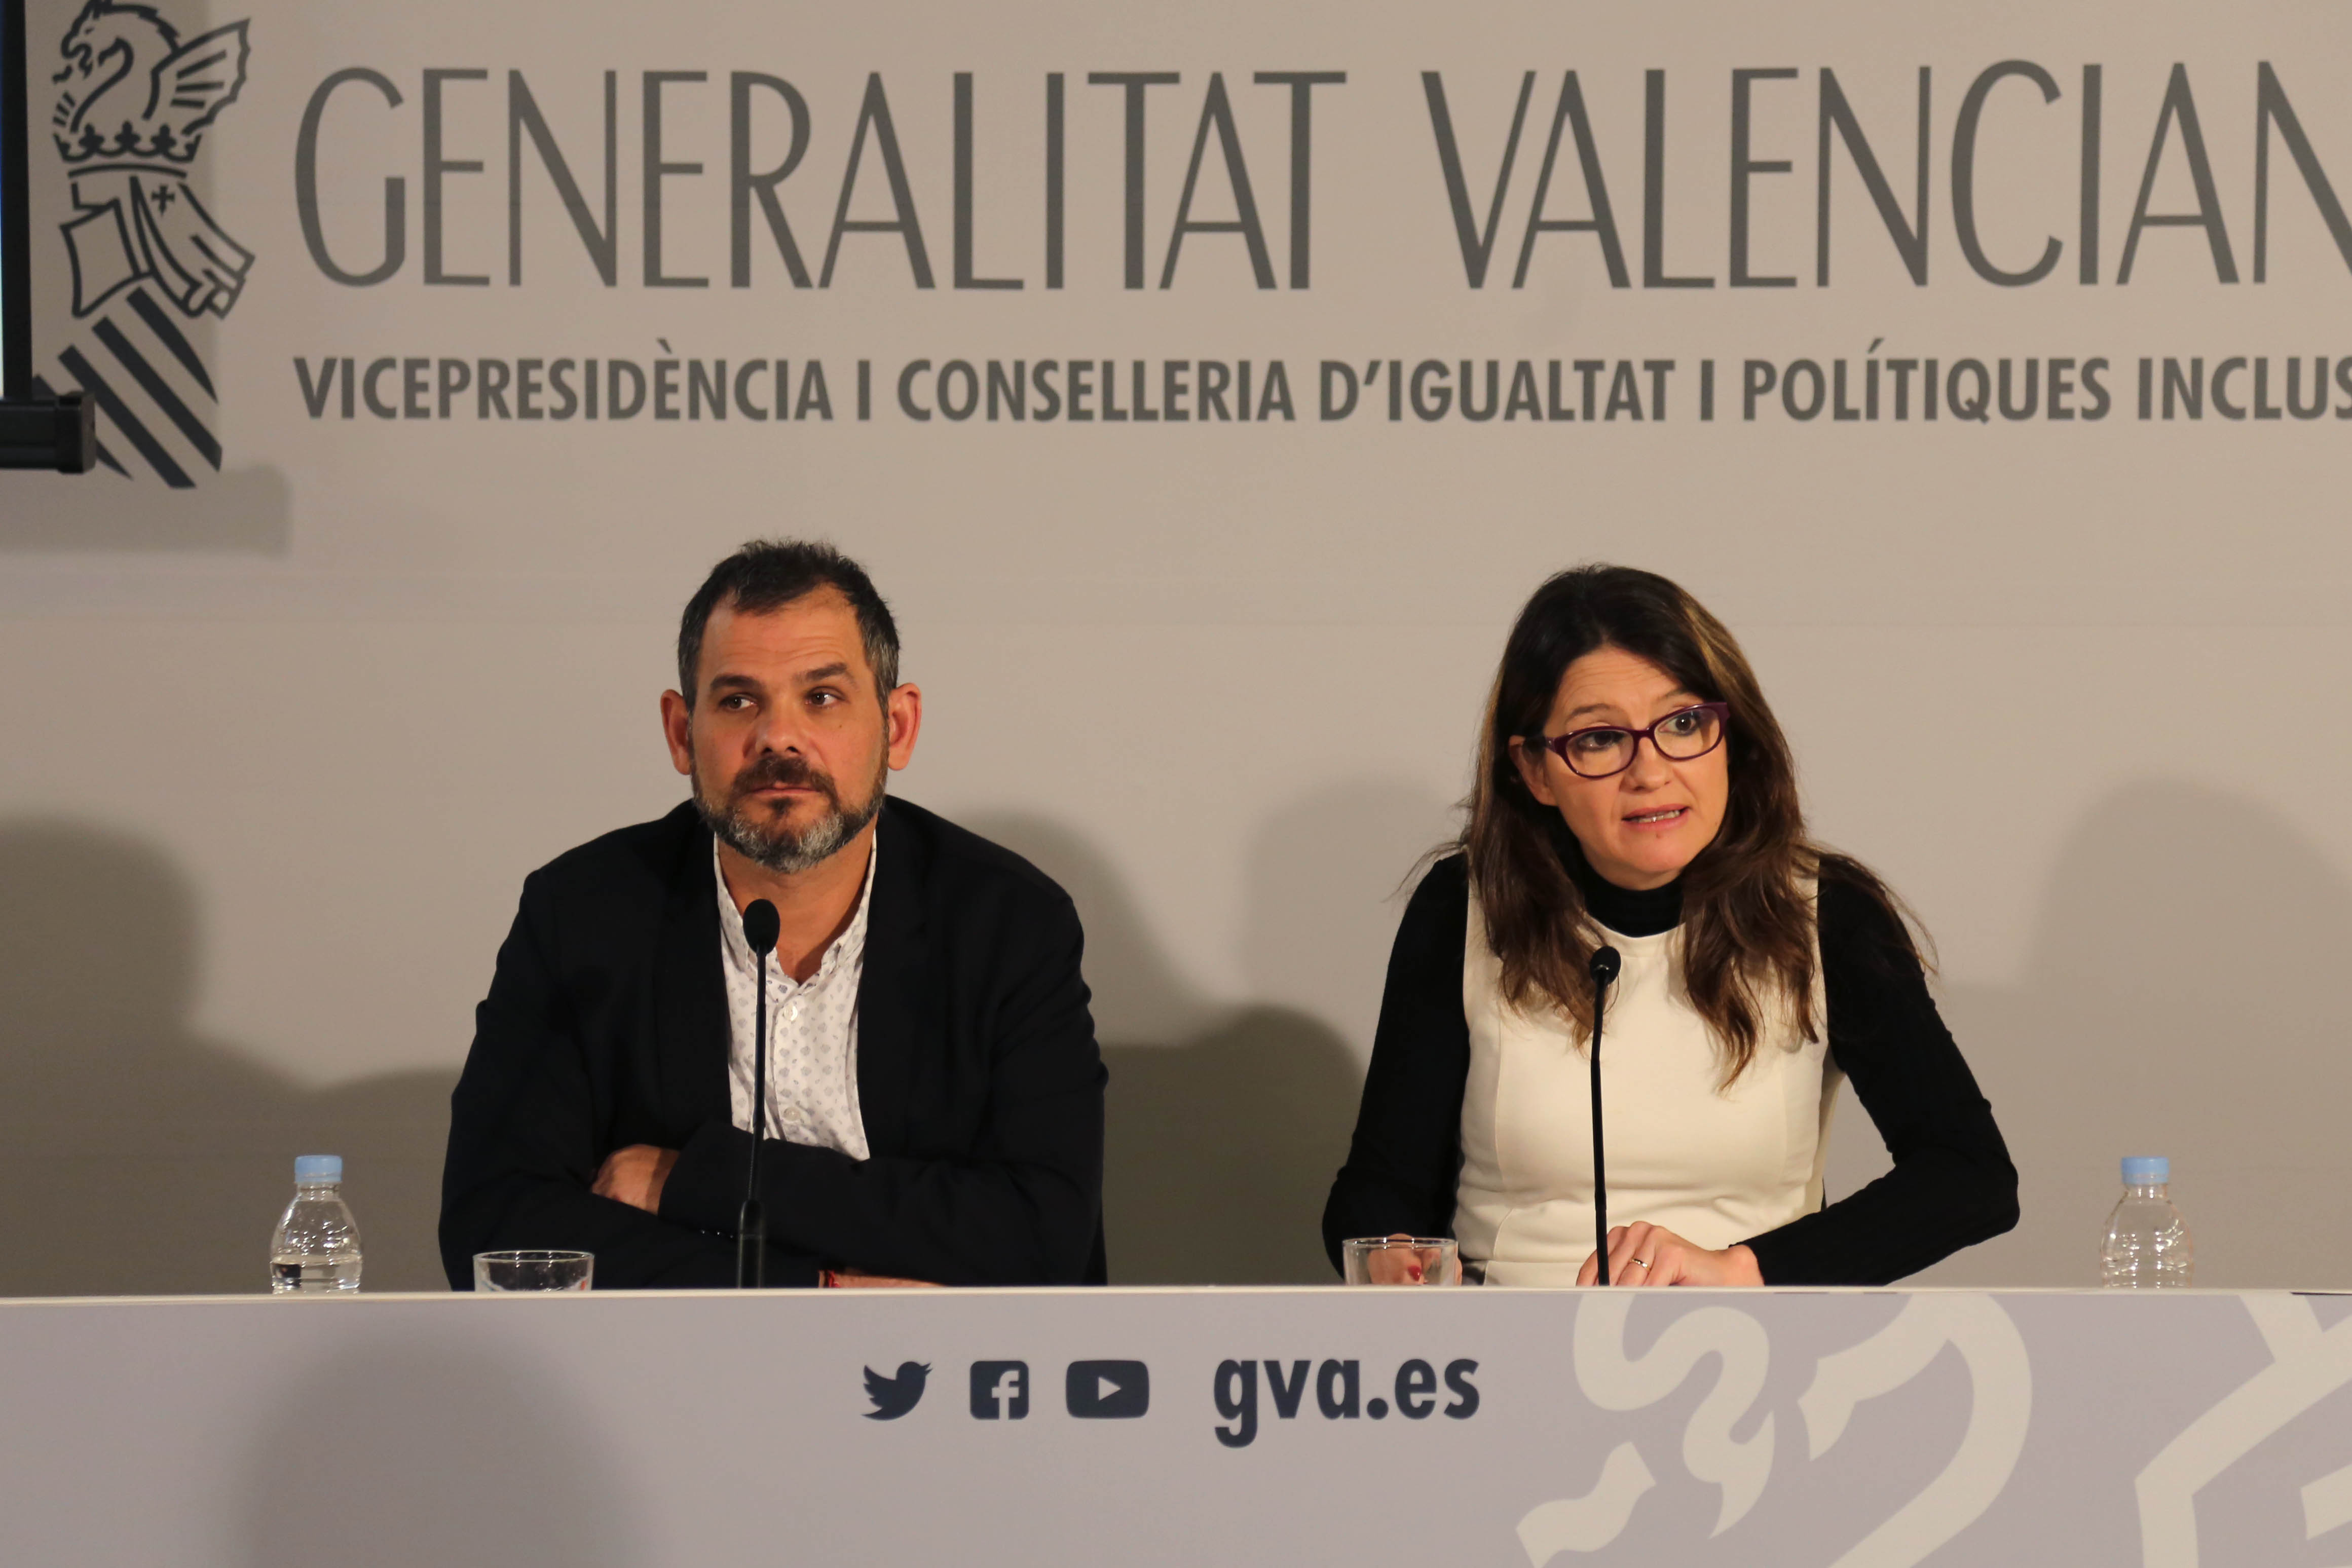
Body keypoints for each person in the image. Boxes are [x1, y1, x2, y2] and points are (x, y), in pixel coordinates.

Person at [1322, 566, 2018, 1286]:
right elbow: (1381, 1187)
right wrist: (1391, 1252)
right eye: (1600, 738)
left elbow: (1969, 1174)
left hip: (1748, 1338)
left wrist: (1742, 1268)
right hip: (1509, 1337)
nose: (1650, 772)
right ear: (1535, 770)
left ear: (1731, 736)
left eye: (1683, 724)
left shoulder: (1826, 912)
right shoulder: (1466, 908)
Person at [440, 540, 1106, 1288]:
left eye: (821, 698)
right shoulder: (583, 915)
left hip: (951, 1363)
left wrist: (697, 1179)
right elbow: (496, 1228)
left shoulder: (1008, 922)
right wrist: (814, 1292)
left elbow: (1042, 1234)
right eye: (738, 701)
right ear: (681, 733)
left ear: (898, 726)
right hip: (677, 1363)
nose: (778, 738)